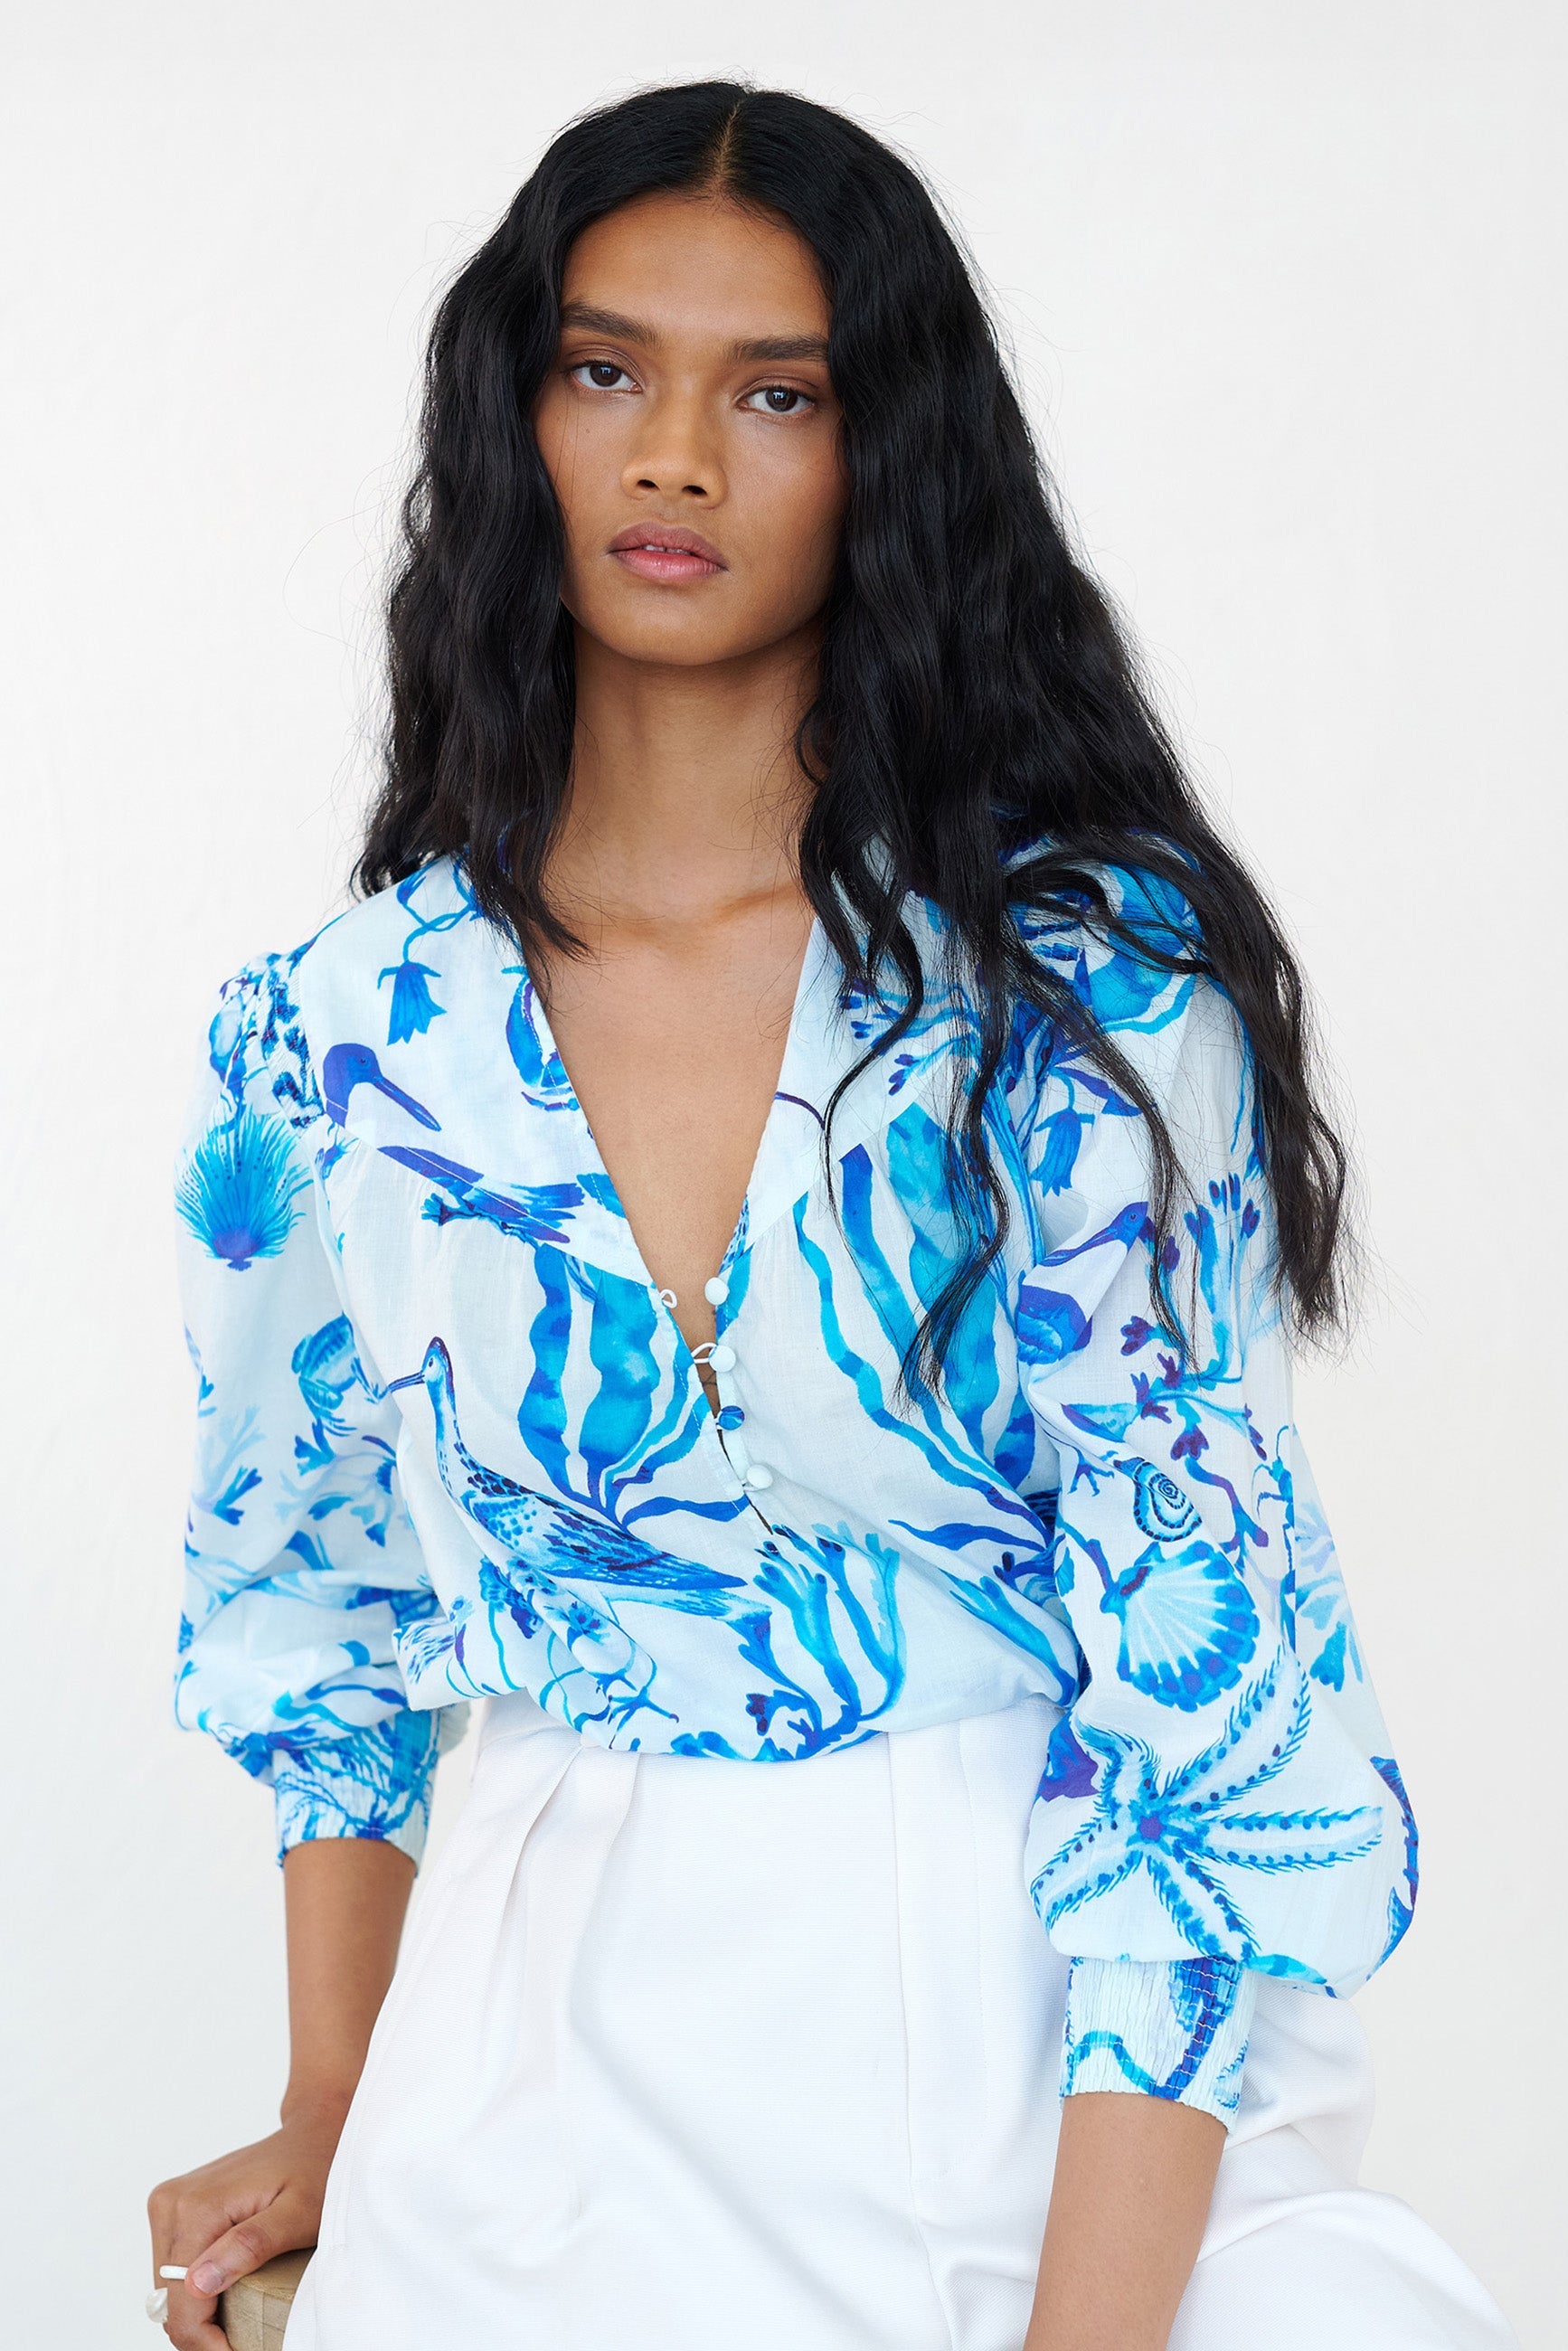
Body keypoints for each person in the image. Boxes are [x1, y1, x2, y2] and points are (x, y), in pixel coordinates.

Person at [146, 81, 1516, 2351]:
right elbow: (318, 1607)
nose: (675, 456)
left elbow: (1206, 1710)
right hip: (531, 2098)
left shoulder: (1082, 996)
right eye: (607, 371)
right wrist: (333, 2096)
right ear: (520, 418)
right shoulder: (339, 1035)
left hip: (1070, 2090)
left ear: (890, 456)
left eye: (776, 392)